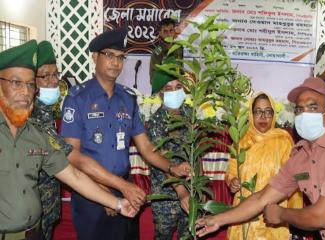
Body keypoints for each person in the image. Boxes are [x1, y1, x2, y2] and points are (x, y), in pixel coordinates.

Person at [196, 77, 325, 240]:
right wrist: (218, 219)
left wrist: (281, 214)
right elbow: (263, 198)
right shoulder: (302, 154)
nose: (304, 114)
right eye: (299, 109)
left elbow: (320, 217)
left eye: (313, 107)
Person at [0, 40, 137, 240]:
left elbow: (73, 175)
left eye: (30, 84)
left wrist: (116, 202)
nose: (26, 92)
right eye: (16, 82)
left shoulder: (36, 134)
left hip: (34, 233)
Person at [60, 28, 190, 240]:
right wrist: (108, 193)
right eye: (109, 55)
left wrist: (171, 167)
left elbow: (146, 148)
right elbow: (72, 155)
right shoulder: (78, 98)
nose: (115, 62)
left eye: (120, 57)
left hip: (124, 191)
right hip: (91, 193)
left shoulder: (127, 98)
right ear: (95, 57)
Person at [225, 92, 302, 239]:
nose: (263, 116)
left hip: (273, 211)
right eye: (258, 112)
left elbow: (293, 180)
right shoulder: (241, 140)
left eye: (268, 111)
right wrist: (232, 181)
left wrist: (293, 216)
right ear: (251, 114)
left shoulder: (283, 140)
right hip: (244, 209)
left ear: (273, 114)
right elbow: (232, 170)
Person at [147, 69, 190, 239]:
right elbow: (163, 161)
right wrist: (181, 192)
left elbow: (196, 154)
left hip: (190, 192)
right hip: (166, 196)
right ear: (160, 94)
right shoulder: (156, 121)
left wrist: (198, 189)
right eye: (168, 88)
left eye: (178, 86)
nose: (174, 92)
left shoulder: (190, 115)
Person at [149, 18, 183, 84]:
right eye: (165, 31)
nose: (169, 34)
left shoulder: (179, 49)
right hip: (163, 88)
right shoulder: (157, 53)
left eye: (171, 31)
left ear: (174, 32)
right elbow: (153, 79)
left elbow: (181, 71)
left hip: (177, 87)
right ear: (160, 33)